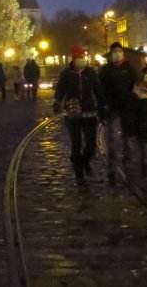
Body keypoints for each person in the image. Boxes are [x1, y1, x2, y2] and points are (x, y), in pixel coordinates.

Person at [52, 45, 104, 186]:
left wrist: (102, 107)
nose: (83, 60)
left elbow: (98, 91)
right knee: (76, 143)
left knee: (91, 145)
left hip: (89, 112)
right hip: (73, 111)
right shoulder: (66, 73)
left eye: (83, 57)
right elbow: (60, 90)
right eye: (80, 58)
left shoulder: (91, 72)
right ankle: (79, 174)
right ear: (73, 59)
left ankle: (85, 160)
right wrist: (56, 102)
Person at [99, 42, 138, 181]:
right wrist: (103, 108)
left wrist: (133, 105)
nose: (117, 53)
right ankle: (112, 167)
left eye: (119, 50)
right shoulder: (106, 70)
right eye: (115, 51)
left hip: (127, 109)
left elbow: (135, 88)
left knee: (128, 140)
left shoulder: (129, 69)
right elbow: (101, 91)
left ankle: (127, 165)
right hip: (113, 109)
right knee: (113, 140)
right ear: (111, 53)